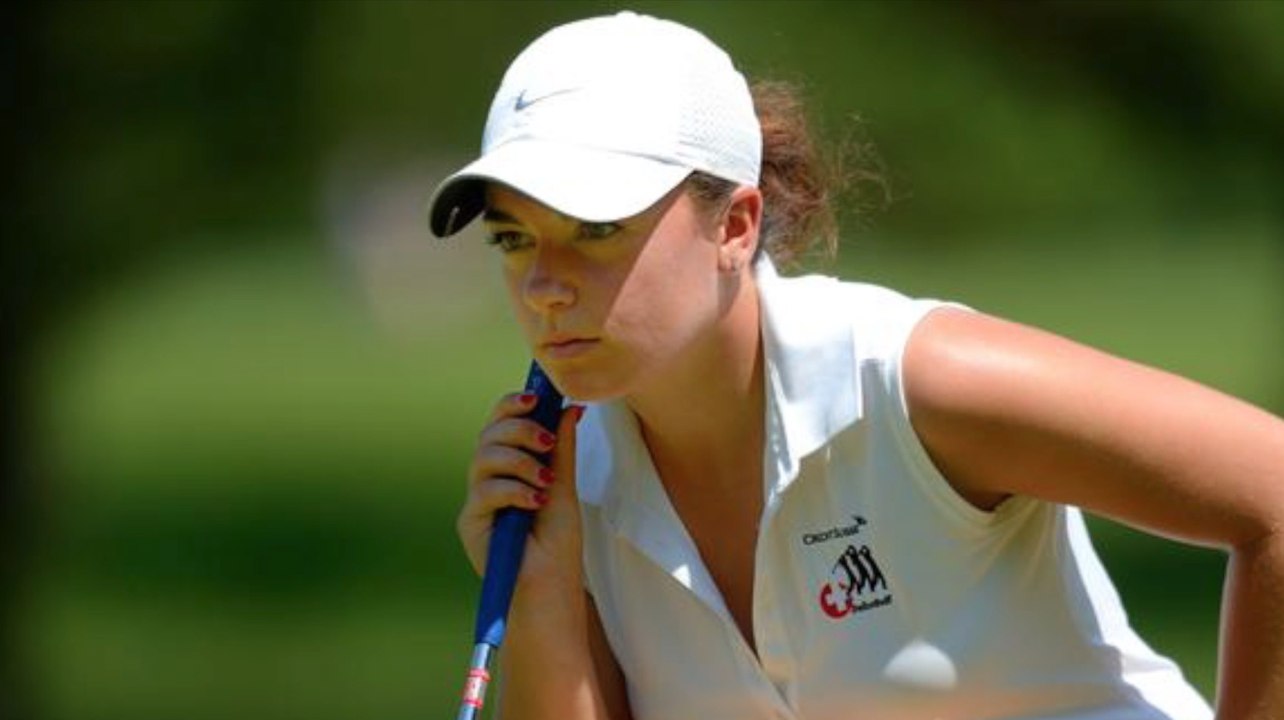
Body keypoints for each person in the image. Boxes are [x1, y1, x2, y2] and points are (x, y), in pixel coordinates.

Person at [428, 11, 1284, 720]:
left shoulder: (917, 381)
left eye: (596, 230)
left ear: (735, 225)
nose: (543, 286)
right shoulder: (568, 484)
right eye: (513, 239)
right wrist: (543, 593)